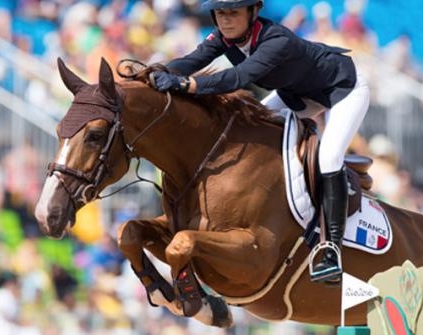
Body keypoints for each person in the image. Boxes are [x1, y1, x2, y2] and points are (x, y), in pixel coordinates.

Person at [150, 0, 370, 283]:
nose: (225, 20)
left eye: (233, 12)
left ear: (253, 12)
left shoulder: (276, 39)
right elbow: (191, 61)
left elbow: (239, 77)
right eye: (220, 14)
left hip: (342, 89)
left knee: (328, 158)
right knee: (247, 126)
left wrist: (187, 85)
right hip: (297, 95)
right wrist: (153, 73)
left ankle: (331, 250)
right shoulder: (223, 38)